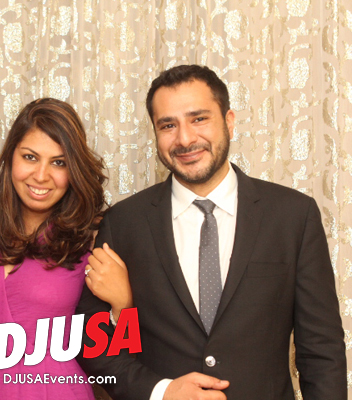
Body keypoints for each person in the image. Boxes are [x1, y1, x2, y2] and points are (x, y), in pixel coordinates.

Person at [76, 64, 346, 400]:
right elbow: (94, 347)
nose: (185, 139)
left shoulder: (292, 216)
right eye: (168, 125)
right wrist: (161, 391)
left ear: (229, 121)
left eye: (199, 118)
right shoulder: (124, 223)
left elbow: (322, 351)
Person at [0, 98, 107, 399]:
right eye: (30, 157)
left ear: (75, 169)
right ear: (10, 156)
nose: (41, 175)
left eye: (59, 162)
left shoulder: (90, 237)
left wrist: (124, 303)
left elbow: (115, 336)